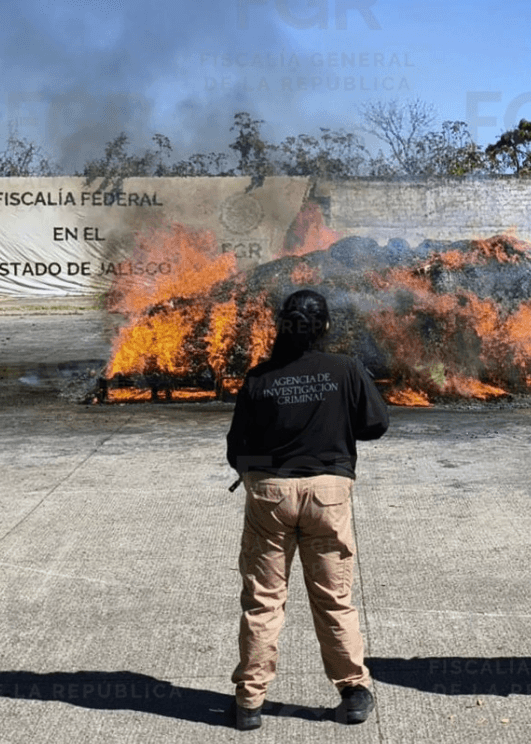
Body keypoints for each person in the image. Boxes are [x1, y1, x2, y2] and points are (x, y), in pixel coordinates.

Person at [225, 289, 389, 731]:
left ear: (281, 326)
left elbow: (236, 449)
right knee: (335, 599)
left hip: (270, 496)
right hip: (328, 494)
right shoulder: (346, 370)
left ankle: (249, 704)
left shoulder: (260, 377)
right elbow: (376, 423)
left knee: (263, 602)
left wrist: (263, 477)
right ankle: (353, 692)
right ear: (326, 327)